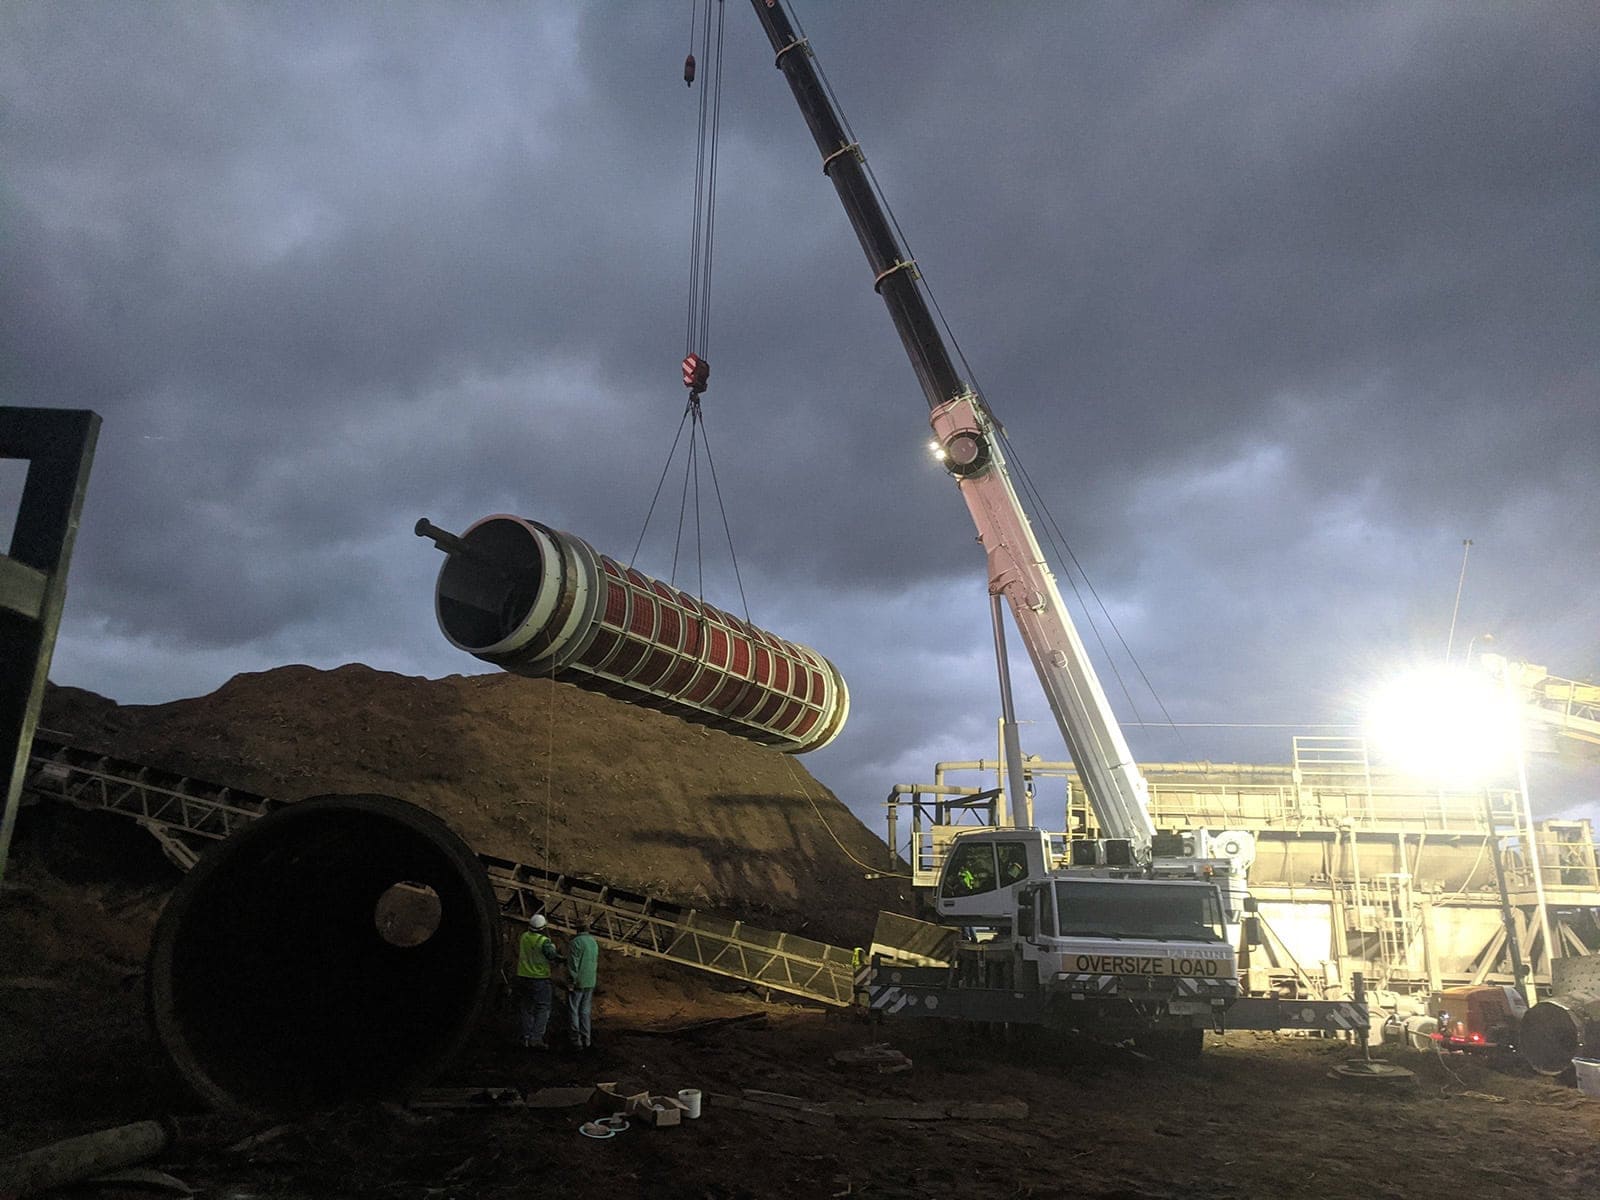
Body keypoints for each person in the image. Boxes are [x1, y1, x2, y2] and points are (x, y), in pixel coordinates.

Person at [516, 913, 564, 1049]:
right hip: (539, 979)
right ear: (543, 927)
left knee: (526, 1008)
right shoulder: (544, 941)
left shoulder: (524, 937)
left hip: (523, 977)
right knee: (543, 1008)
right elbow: (551, 956)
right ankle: (536, 1039)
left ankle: (525, 1037)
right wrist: (560, 957)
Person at [565, 918, 599, 1051]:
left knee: (574, 1010)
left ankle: (576, 1040)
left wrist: (571, 981)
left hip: (578, 982)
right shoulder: (593, 942)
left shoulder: (576, 943)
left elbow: (574, 965)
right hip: (590, 981)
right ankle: (587, 1039)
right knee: (585, 1011)